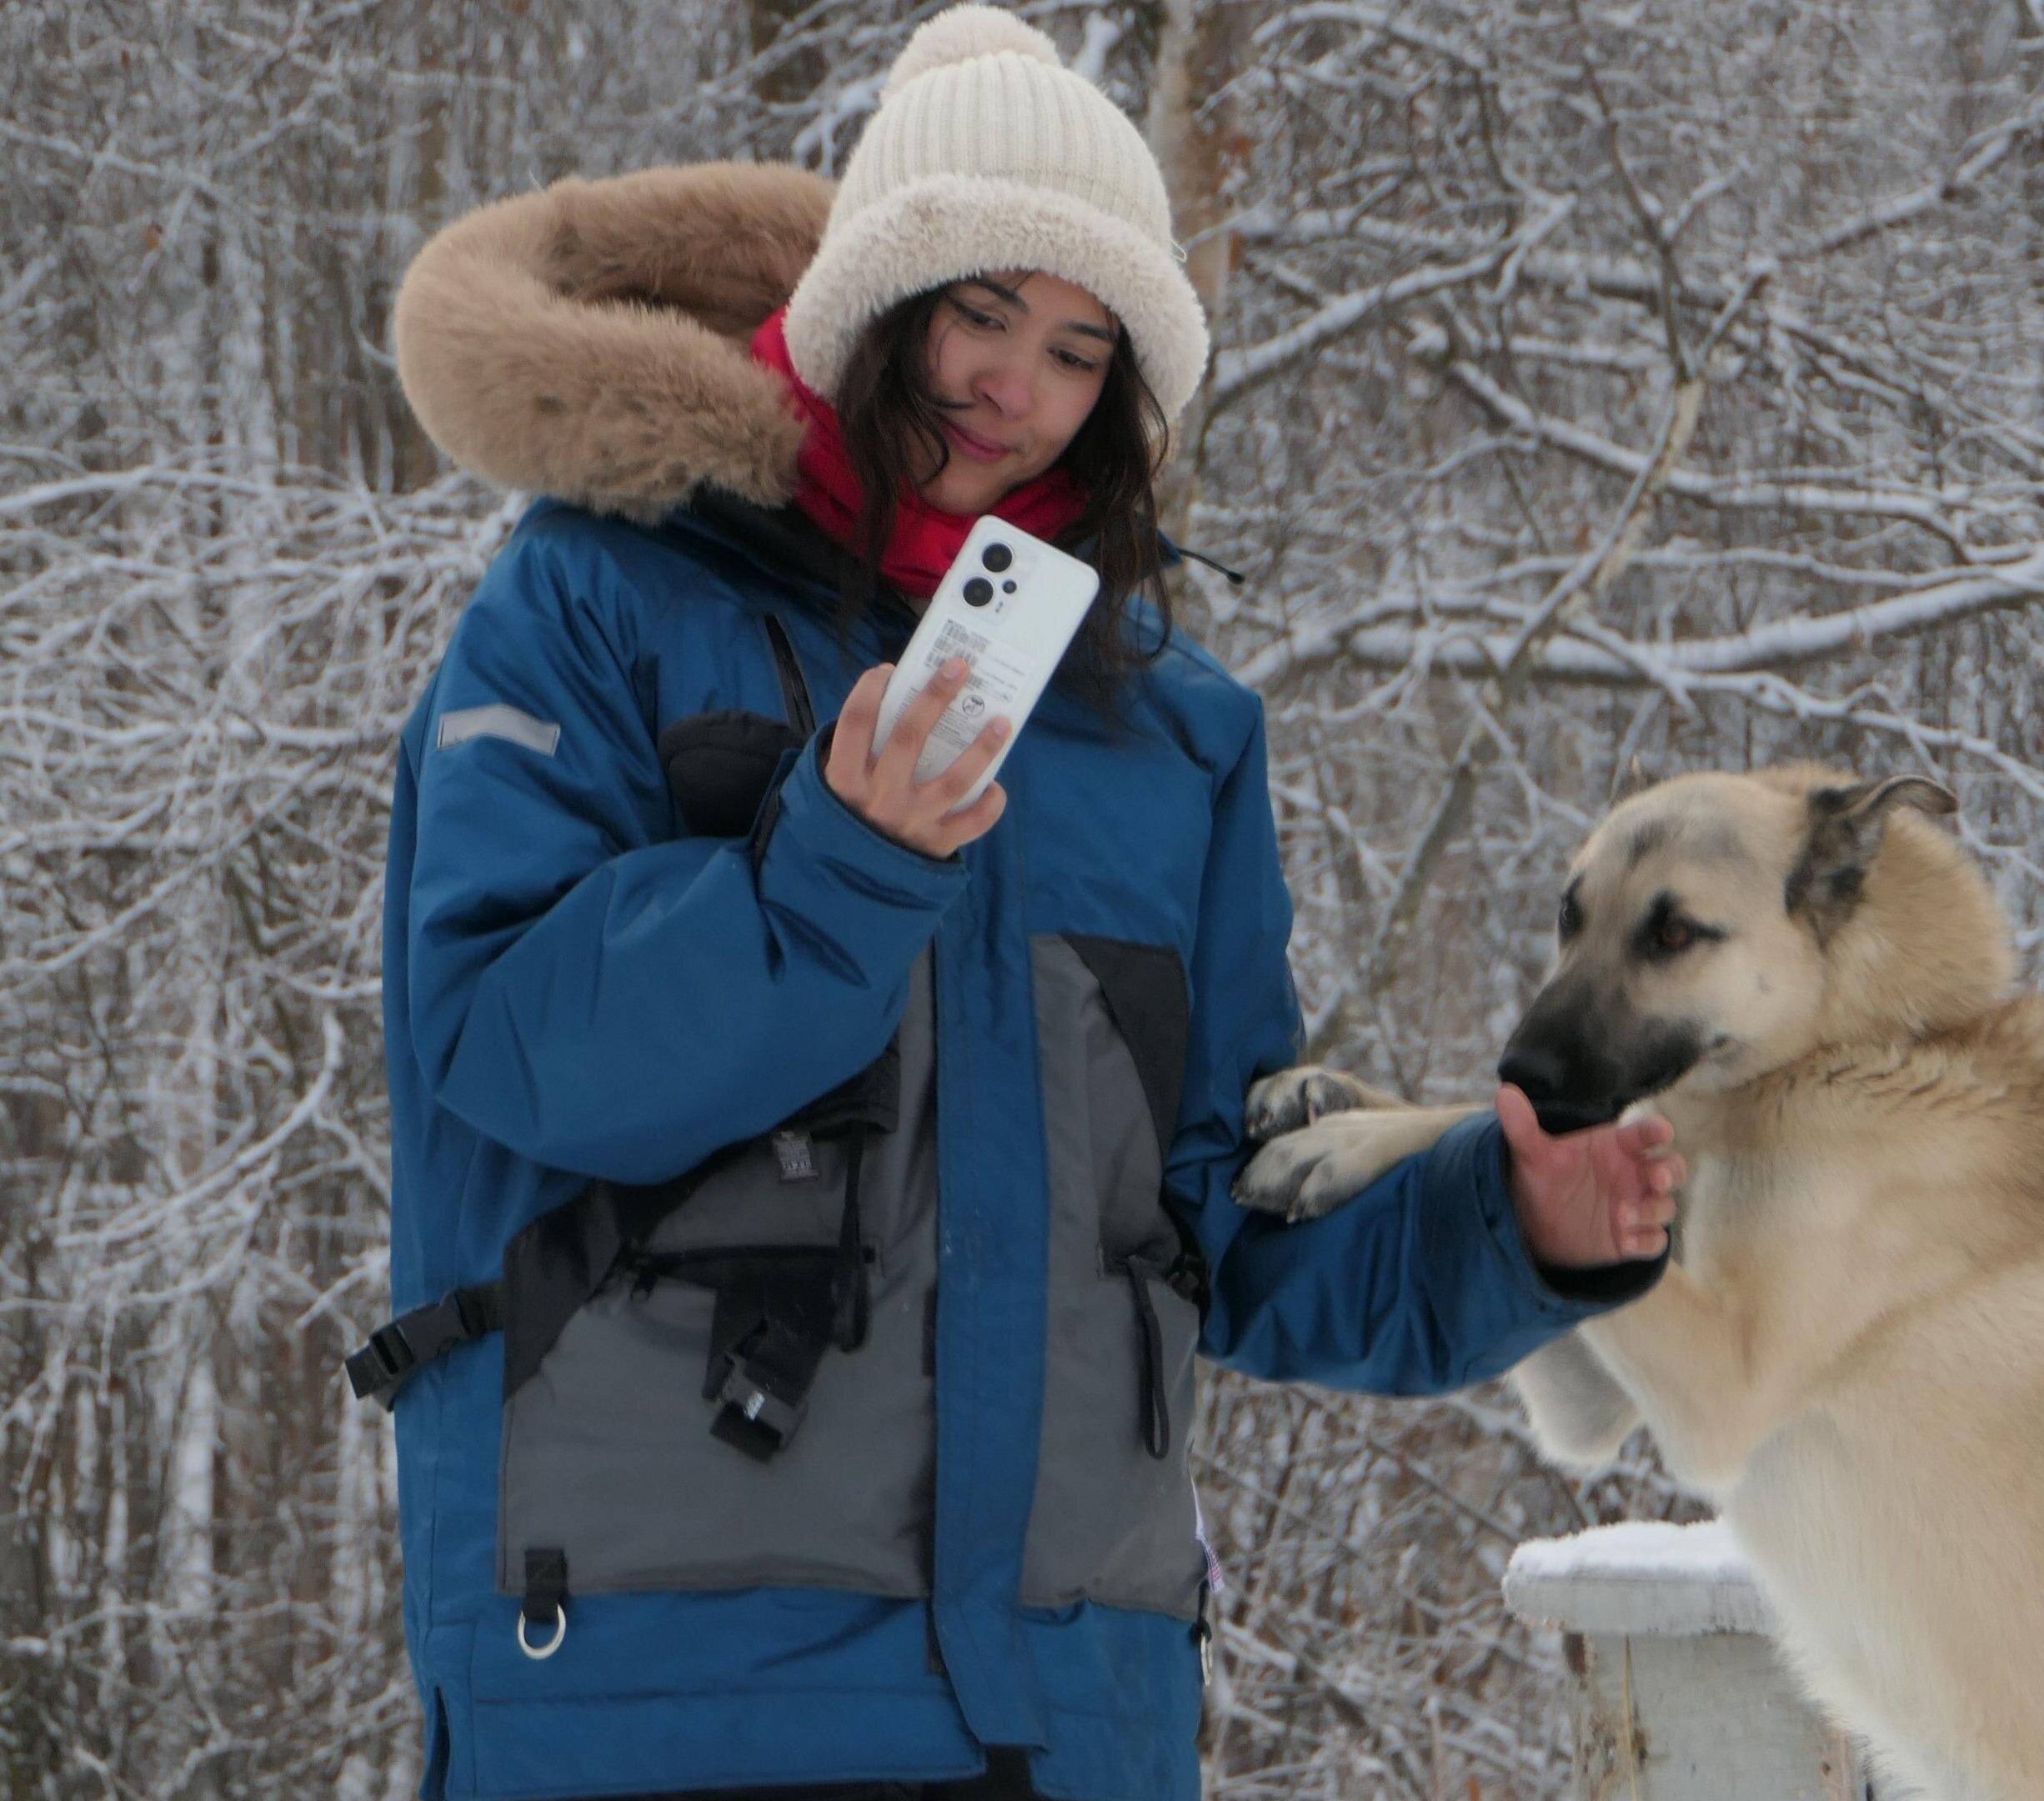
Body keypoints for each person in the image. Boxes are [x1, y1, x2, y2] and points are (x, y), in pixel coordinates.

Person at [360, 8, 1679, 1800]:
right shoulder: (597, 599)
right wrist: (838, 867)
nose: (1015, 389)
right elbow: (506, 1046)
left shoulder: (1170, 728)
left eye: (1078, 348)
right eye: (977, 314)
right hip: (656, 1686)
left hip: (1066, 1715)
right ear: (869, 304)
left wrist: (1505, 1229)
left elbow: (1208, 1219)